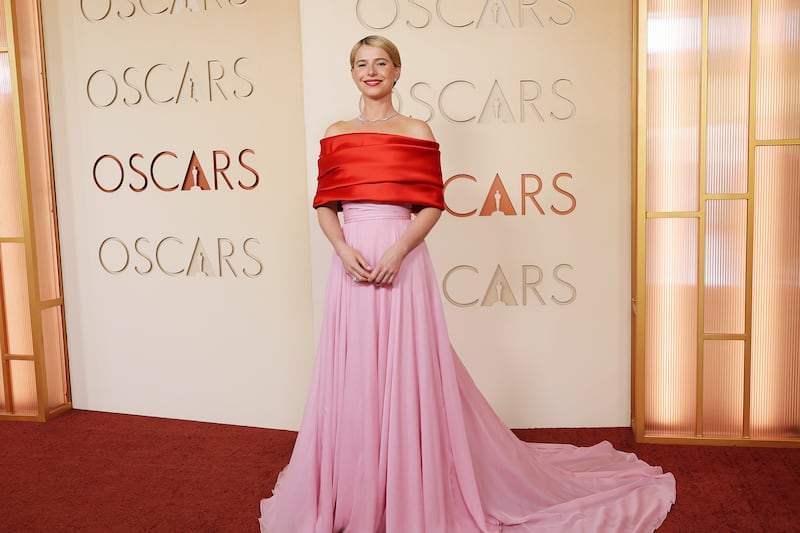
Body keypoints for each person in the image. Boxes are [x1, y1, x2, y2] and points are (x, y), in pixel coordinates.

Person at [259, 35, 675, 533]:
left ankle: (410, 484)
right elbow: (326, 206)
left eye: (381, 63)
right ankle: (357, 485)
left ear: (397, 71)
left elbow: (431, 204)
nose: (372, 71)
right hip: (351, 264)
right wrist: (342, 249)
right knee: (356, 369)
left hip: (402, 258)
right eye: (362, 64)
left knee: (408, 366)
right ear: (352, 73)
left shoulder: (416, 130)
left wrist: (398, 250)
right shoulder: (336, 133)